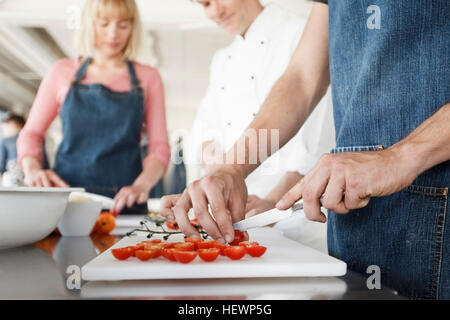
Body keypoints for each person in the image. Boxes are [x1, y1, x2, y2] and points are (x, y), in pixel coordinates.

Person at [162, 0, 450, 299]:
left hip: (436, 200)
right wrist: (230, 169)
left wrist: (400, 157)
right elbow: (301, 78)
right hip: (350, 211)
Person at [189, 0, 334, 251]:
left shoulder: (302, 35)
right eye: (205, 4)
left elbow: (316, 144)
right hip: (238, 222)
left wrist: (273, 203)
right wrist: (220, 181)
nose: (214, 12)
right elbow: (204, 132)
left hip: (296, 219)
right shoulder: (222, 60)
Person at [17, 0, 170, 214]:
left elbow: (159, 148)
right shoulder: (61, 72)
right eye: (104, 23)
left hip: (124, 204)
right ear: (89, 23)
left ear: (133, 28)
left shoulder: (148, 77)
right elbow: (31, 134)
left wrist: (142, 185)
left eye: (123, 25)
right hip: (67, 201)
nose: (113, 34)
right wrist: (32, 170)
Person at [0, 114, 26, 186]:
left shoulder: (6, 141)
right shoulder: (34, 140)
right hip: (30, 176)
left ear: (13, 125)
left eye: (4, 129)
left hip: (14, 176)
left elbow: (1, 163)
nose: (4, 133)